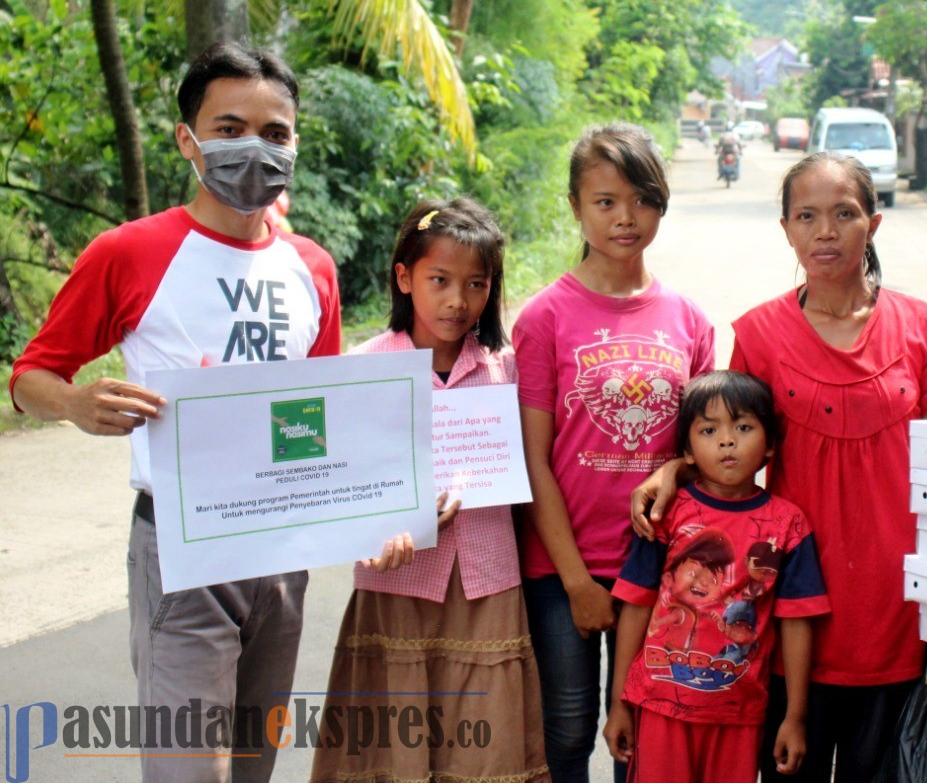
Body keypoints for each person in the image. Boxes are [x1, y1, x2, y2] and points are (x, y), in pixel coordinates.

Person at [8, 41, 341, 782]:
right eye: (229, 129)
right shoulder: (127, 253)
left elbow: (324, 412)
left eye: (276, 132)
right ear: (186, 139)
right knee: (190, 769)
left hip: (281, 550)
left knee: (254, 763)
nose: (254, 146)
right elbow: (31, 373)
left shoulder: (311, 267)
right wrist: (74, 402)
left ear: (295, 143)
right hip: (182, 547)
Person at [633, 151, 927, 782]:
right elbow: (728, 445)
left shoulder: (925, 326)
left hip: (894, 604)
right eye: (806, 216)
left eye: (844, 214)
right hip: (782, 607)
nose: (825, 232)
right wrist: (676, 470)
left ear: (874, 224)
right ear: (786, 229)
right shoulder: (759, 333)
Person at [310, 200, 548, 782]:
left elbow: (538, 464)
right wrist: (375, 529)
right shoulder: (363, 368)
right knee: (398, 742)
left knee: (484, 745)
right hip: (397, 585)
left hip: (488, 582)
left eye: (475, 285)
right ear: (403, 277)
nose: (456, 301)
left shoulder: (506, 369)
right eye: (438, 281)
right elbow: (339, 485)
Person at [514, 123, 716, 782]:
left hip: (657, 568)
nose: (625, 217)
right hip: (561, 568)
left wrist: (670, 467)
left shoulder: (690, 320)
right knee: (567, 731)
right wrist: (575, 581)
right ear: (576, 206)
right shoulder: (544, 317)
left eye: (641, 199)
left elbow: (707, 452)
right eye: (605, 201)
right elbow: (533, 458)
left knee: (641, 735)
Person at [603, 371, 830, 783]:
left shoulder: (789, 526)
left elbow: (797, 622)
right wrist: (620, 702)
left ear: (771, 444)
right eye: (709, 430)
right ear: (687, 450)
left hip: (738, 713)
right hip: (659, 705)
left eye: (743, 427)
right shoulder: (665, 513)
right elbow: (635, 605)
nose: (727, 441)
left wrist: (795, 717)